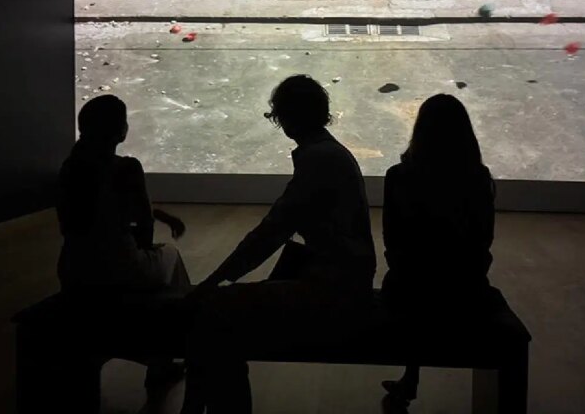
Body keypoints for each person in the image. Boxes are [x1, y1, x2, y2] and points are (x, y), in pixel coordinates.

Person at [180, 75, 377, 414]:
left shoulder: (317, 160)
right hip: (344, 281)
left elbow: (271, 232)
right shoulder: (330, 153)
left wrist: (213, 281)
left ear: (286, 116)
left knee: (215, 312)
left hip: (332, 291)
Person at [55, 94, 191, 410]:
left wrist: (158, 215)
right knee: (170, 256)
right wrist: (145, 246)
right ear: (121, 130)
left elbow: (94, 213)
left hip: (73, 269)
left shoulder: (70, 168)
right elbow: (143, 225)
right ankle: (166, 358)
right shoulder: (127, 167)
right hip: (120, 267)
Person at [379, 94, 497, 406]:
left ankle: (411, 378)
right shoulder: (479, 179)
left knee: (415, 295)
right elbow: (483, 241)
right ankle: (410, 379)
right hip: (466, 291)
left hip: (407, 290)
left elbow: (392, 241)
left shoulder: (398, 176)